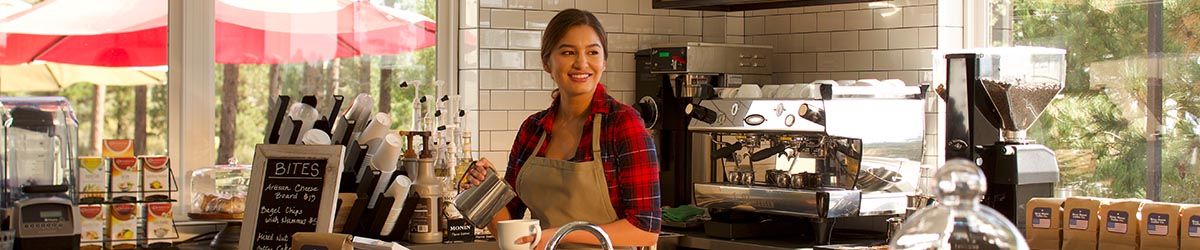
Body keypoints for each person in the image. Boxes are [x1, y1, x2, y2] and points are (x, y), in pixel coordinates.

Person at [460, 8, 662, 249]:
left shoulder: (622, 124)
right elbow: (510, 225)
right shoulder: (532, 130)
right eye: (568, 52)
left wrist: (557, 236)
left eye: (592, 52)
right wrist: (486, 188)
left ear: (604, 62)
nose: (581, 63)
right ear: (547, 62)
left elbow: (645, 229)